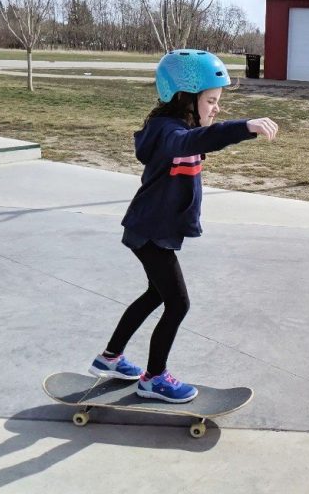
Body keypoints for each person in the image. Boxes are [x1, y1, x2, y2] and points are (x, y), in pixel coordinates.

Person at [88, 49, 278, 403]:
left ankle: (110, 357)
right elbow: (187, 143)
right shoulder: (169, 132)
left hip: (153, 229)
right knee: (178, 304)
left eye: (218, 101)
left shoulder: (182, 127)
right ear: (184, 98)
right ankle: (154, 378)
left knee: (155, 295)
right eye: (210, 100)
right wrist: (243, 127)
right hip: (150, 233)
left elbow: (195, 142)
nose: (216, 108)